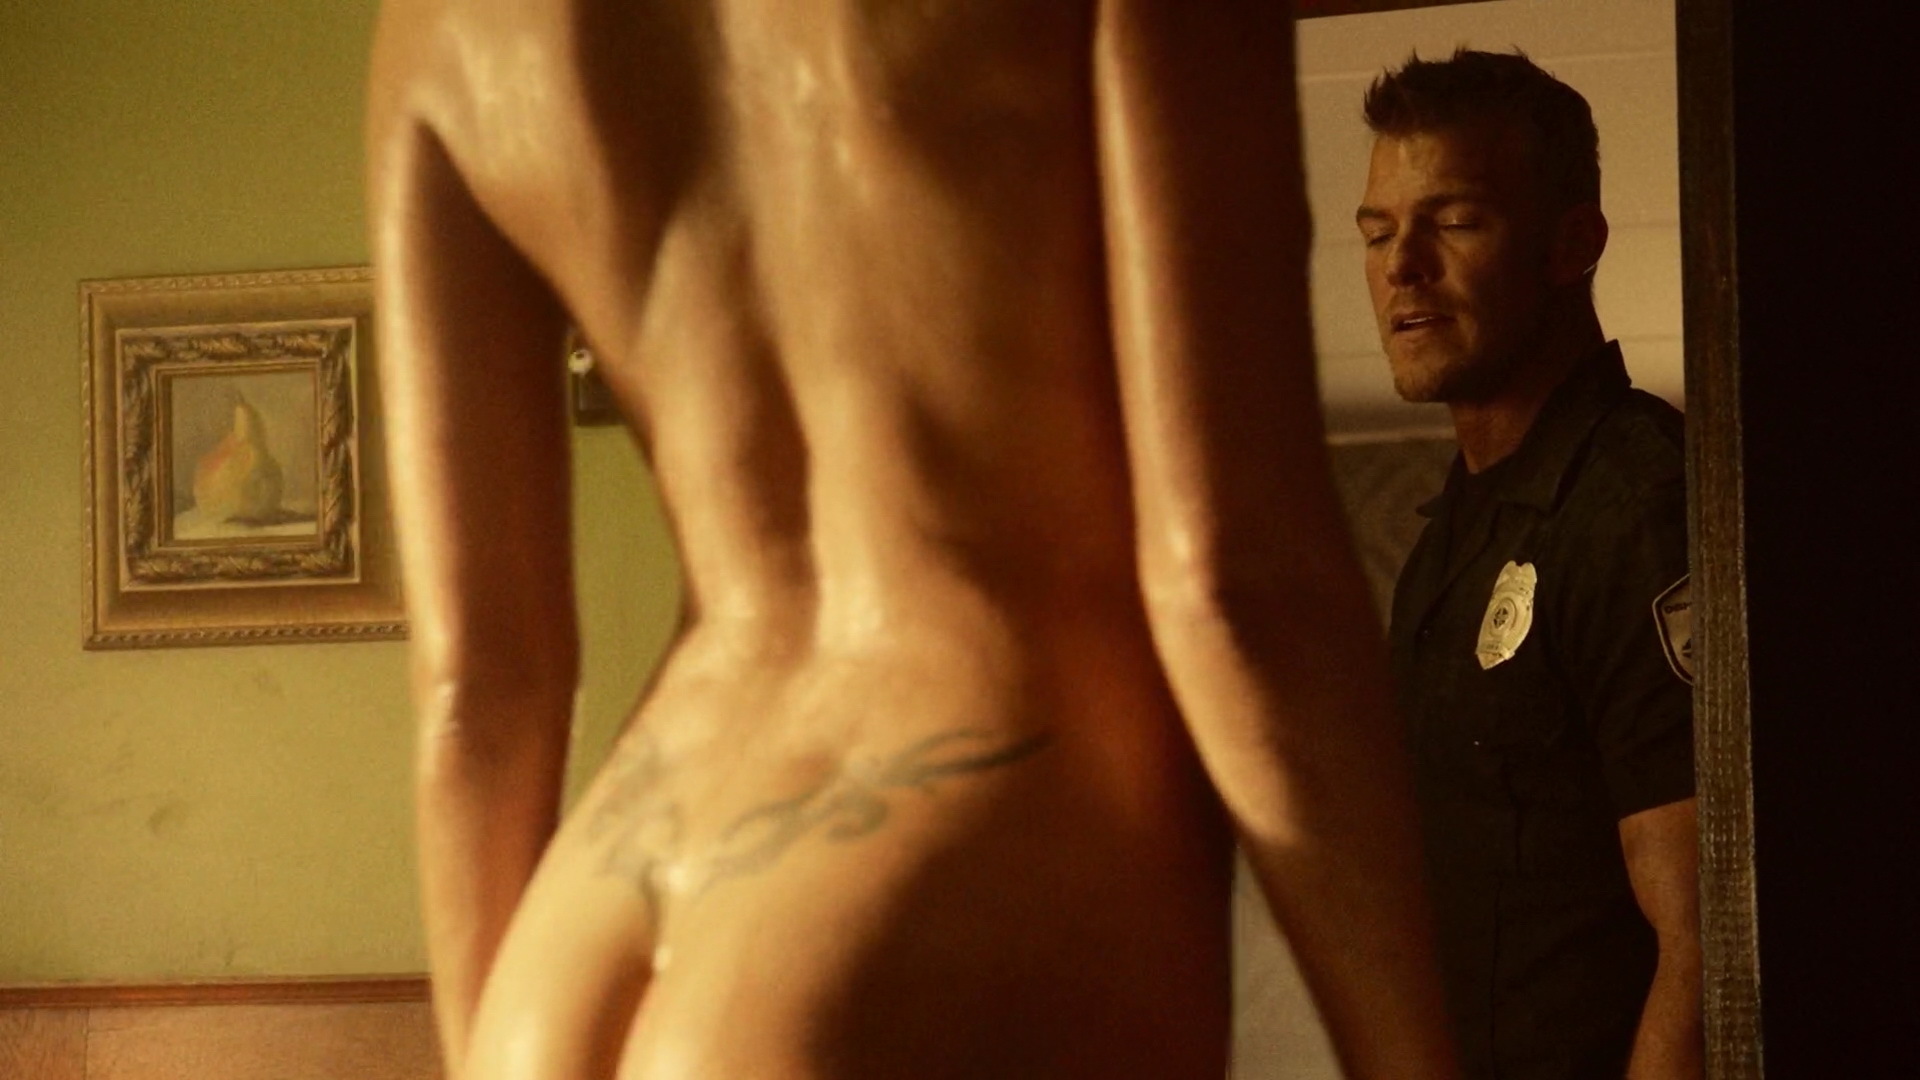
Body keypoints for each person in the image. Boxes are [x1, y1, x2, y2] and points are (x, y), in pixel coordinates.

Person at [366, 3, 1459, 1078]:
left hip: (568, 951)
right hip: (943, 892)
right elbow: (1233, 579)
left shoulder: (433, 28)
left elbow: (478, 694)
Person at [1355, 49, 1702, 1080]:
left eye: (1454, 221)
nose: (1402, 266)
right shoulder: (1449, 539)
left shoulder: (1638, 504)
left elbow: (1708, 938)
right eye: (1378, 232)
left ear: (1571, 244)